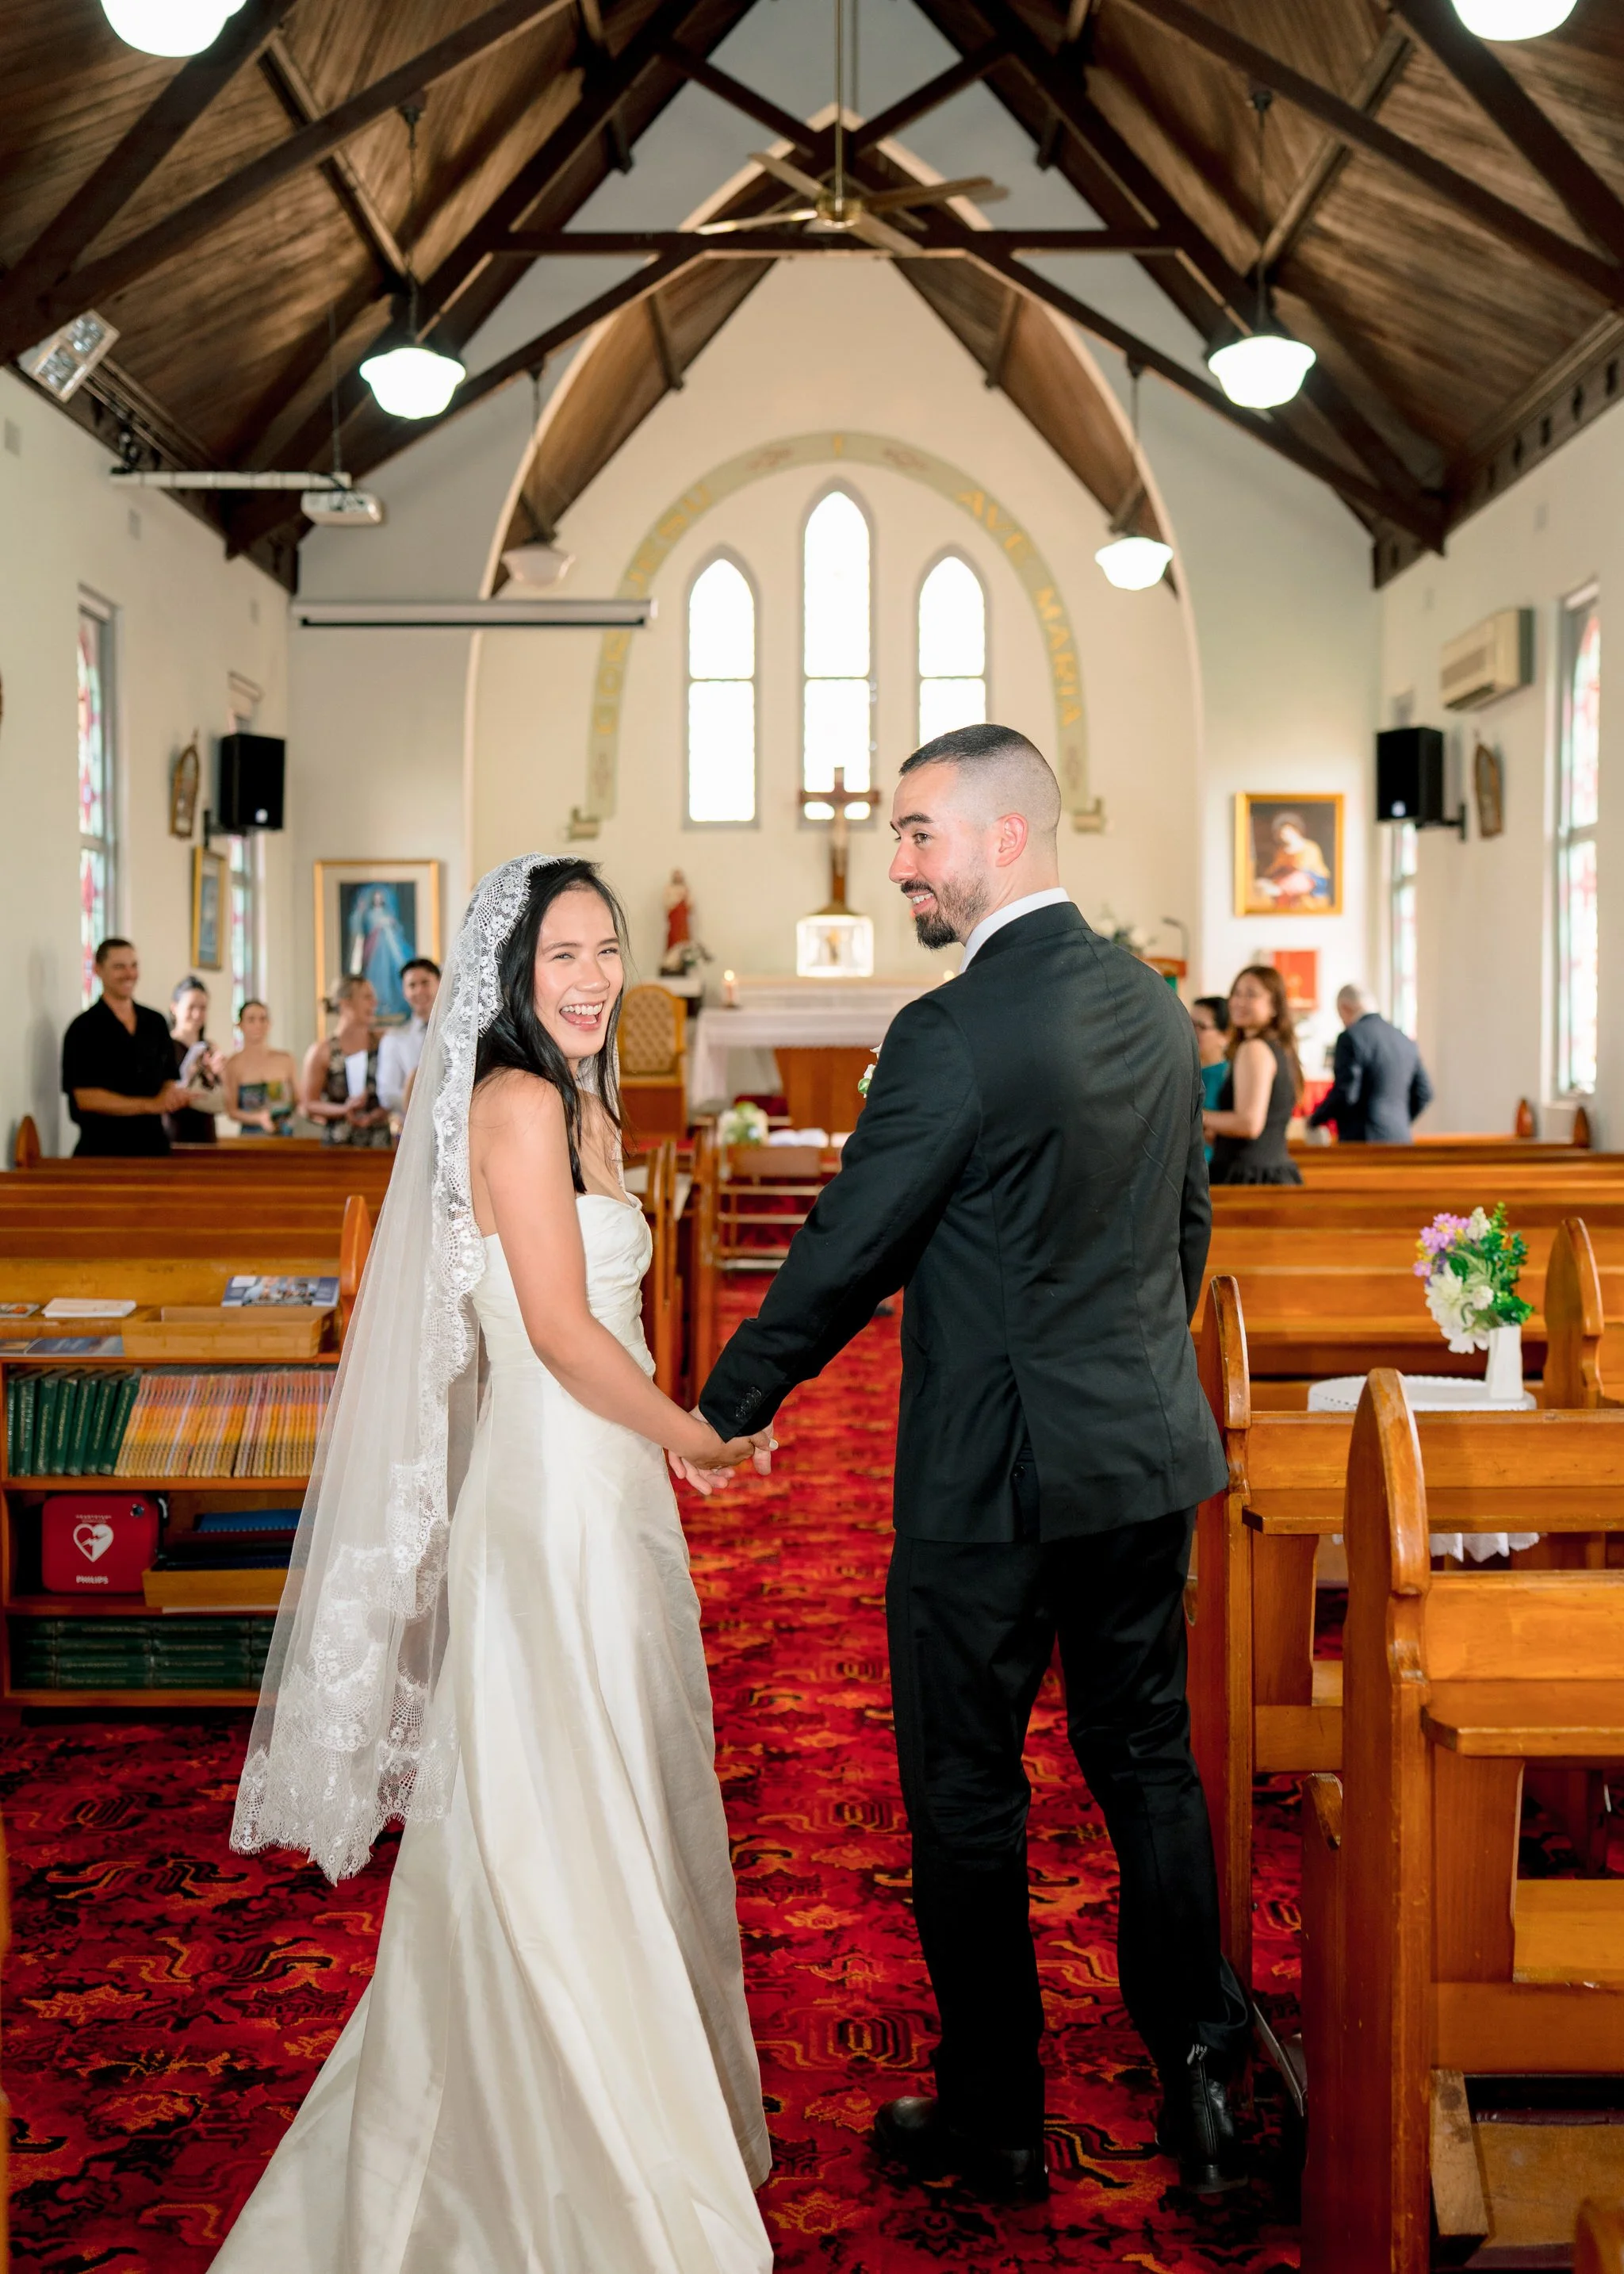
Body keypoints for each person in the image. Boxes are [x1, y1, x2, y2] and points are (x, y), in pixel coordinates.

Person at [695, 723, 1248, 2204]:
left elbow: (849, 1246)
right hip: (1139, 1458)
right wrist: (1133, 1369)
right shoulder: (1151, 1007)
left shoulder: (948, 1031)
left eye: (919, 834)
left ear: (1004, 839)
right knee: (1146, 1766)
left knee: (962, 1788)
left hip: (987, 1481)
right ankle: (1200, 2083)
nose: (896, 864)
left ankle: (998, 2116)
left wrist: (726, 1404)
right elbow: (1186, 1229)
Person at [216, 857, 773, 2272]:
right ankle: (561, 2128)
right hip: (550, 1490)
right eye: (561, 956)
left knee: (611, 1784)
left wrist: (666, 1442)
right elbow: (558, 1333)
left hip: (605, 1480)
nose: (590, 978)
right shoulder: (517, 1104)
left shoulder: (588, 1097)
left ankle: (611, 2077)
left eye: (605, 950)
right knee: (550, 1799)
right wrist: (697, 1435)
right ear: (510, 978)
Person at [60, 938, 188, 1156]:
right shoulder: (83, 1028)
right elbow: (85, 1097)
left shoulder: (155, 1022)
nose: (129, 974)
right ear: (98, 970)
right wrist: (150, 1105)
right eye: (119, 967)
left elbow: (169, 1078)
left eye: (134, 966)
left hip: (154, 1147)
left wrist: (169, 1097)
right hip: (102, 1150)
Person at [1204, 965, 1305, 1186]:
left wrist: (1195, 1117)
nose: (1239, 1001)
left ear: (1275, 1006)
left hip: (1248, 1177)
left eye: (1251, 994)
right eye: (1236, 993)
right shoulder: (1279, 1048)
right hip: (1268, 1170)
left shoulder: (1254, 1048)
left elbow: (1249, 1123)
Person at [1308, 984, 1434, 1143]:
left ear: (1345, 1008)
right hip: (1401, 1138)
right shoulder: (1403, 1039)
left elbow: (1346, 1092)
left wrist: (1316, 1119)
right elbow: (1424, 1092)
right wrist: (1397, 1119)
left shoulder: (1350, 1037)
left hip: (1364, 1139)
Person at [299, 974, 392, 1147]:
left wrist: (381, 1112)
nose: (374, 1003)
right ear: (345, 1003)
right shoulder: (321, 1051)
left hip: (379, 1141)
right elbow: (309, 1103)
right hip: (339, 1143)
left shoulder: (384, 1043)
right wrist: (344, 1110)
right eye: (367, 997)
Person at [223, 1000, 299, 1137]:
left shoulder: (285, 1059)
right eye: (251, 1020)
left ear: (269, 1024)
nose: (258, 1025)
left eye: (263, 1019)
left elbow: (299, 1101)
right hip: (252, 1140)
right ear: (240, 1025)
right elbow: (232, 1111)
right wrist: (258, 1118)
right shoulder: (233, 1064)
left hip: (286, 1137)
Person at [375, 955, 440, 1114]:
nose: (419, 991)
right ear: (405, 992)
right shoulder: (393, 1039)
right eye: (412, 985)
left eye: (425, 983)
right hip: (410, 1124)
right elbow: (387, 1093)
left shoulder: (459, 1032)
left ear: (440, 984)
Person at [165, 976, 225, 1144]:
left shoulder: (210, 1048)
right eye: (191, 1007)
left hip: (206, 1132)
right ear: (174, 1008)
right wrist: (190, 1076)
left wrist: (218, 1074)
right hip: (176, 1132)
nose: (197, 1014)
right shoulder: (165, 1047)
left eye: (203, 1008)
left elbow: (224, 1099)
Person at [1190, 995, 1229, 1162]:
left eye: (1201, 1026)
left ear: (1225, 1035)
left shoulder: (1229, 1075)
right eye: (1189, 1023)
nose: (1192, 1031)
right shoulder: (1186, 1070)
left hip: (1213, 1168)